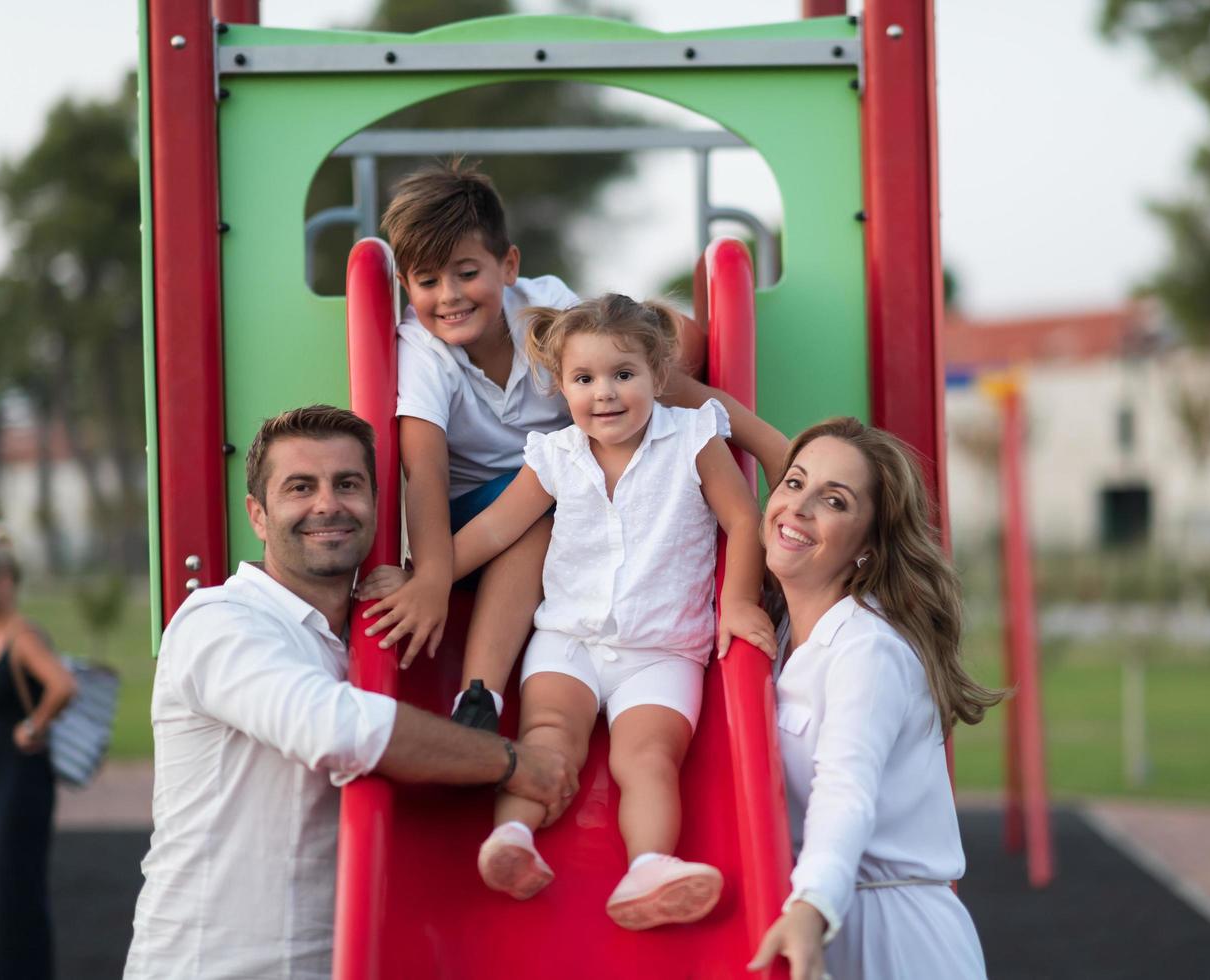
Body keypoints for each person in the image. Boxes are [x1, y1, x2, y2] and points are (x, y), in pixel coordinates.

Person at [360, 295, 777, 930]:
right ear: (561, 386)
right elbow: (498, 528)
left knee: (648, 759)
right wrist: (425, 578)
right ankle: (513, 839)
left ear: (657, 377)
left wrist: (740, 600)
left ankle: (649, 867)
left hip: (661, 648)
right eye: (584, 379)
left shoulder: (694, 437)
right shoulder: (555, 454)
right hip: (567, 639)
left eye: (623, 375)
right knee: (547, 735)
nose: (604, 394)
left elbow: (743, 519)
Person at [124, 405, 579, 980]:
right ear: (258, 516)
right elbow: (336, 729)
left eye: (348, 484)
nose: (328, 505)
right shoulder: (219, 620)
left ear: (375, 503)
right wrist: (513, 763)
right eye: (300, 487)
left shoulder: (370, 638)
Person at [377, 160, 789, 734]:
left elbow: (644, 376)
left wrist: (770, 447)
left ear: (509, 265)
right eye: (426, 281)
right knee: (544, 511)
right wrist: (429, 577)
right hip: (468, 525)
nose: (448, 296)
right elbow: (424, 473)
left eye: (466, 273)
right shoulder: (422, 351)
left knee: (630, 355)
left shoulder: (543, 307)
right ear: (405, 285)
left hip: (576, 513)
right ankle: (480, 697)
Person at [747, 418, 1001, 980]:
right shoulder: (779, 630)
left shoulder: (869, 648)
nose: (799, 508)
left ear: (868, 544)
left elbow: (846, 790)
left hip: (893, 935)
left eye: (834, 501)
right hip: (817, 917)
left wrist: (811, 906)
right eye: (793, 483)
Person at [0, 525, 76, 980]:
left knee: (12, 886)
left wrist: (33, 725)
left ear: (5, 581)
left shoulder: (22, 636)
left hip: (18, 781)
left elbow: (63, 685)